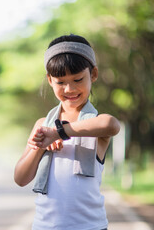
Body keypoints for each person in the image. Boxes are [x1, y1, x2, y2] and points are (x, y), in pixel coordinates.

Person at [14, 34, 120, 230]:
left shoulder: (94, 124)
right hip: (45, 226)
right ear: (50, 80)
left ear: (93, 74)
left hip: (91, 226)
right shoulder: (42, 125)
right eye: (60, 82)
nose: (69, 88)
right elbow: (20, 178)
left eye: (78, 79)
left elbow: (112, 125)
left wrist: (59, 132)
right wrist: (41, 145)